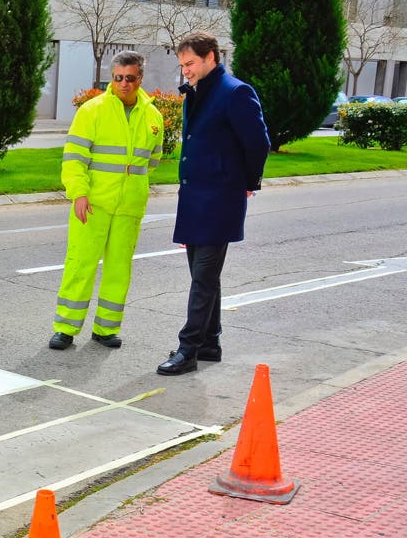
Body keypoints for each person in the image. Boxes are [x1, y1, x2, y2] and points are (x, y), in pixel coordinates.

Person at [156, 31, 270, 375]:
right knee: (203, 275)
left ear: (211, 58)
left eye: (190, 64)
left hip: (219, 199)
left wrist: (249, 183)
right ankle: (210, 342)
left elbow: (259, 142)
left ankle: (188, 349)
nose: (185, 71)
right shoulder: (198, 92)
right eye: (182, 65)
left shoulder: (236, 92)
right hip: (195, 199)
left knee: (203, 278)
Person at [50, 50, 164, 351]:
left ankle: (106, 329)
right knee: (80, 264)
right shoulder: (92, 111)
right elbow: (74, 158)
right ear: (111, 77)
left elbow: (153, 160)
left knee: (119, 268)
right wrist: (79, 193)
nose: (123, 84)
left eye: (130, 78)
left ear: (140, 78)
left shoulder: (153, 116)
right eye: (117, 78)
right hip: (93, 204)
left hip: (129, 206)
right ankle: (65, 328)